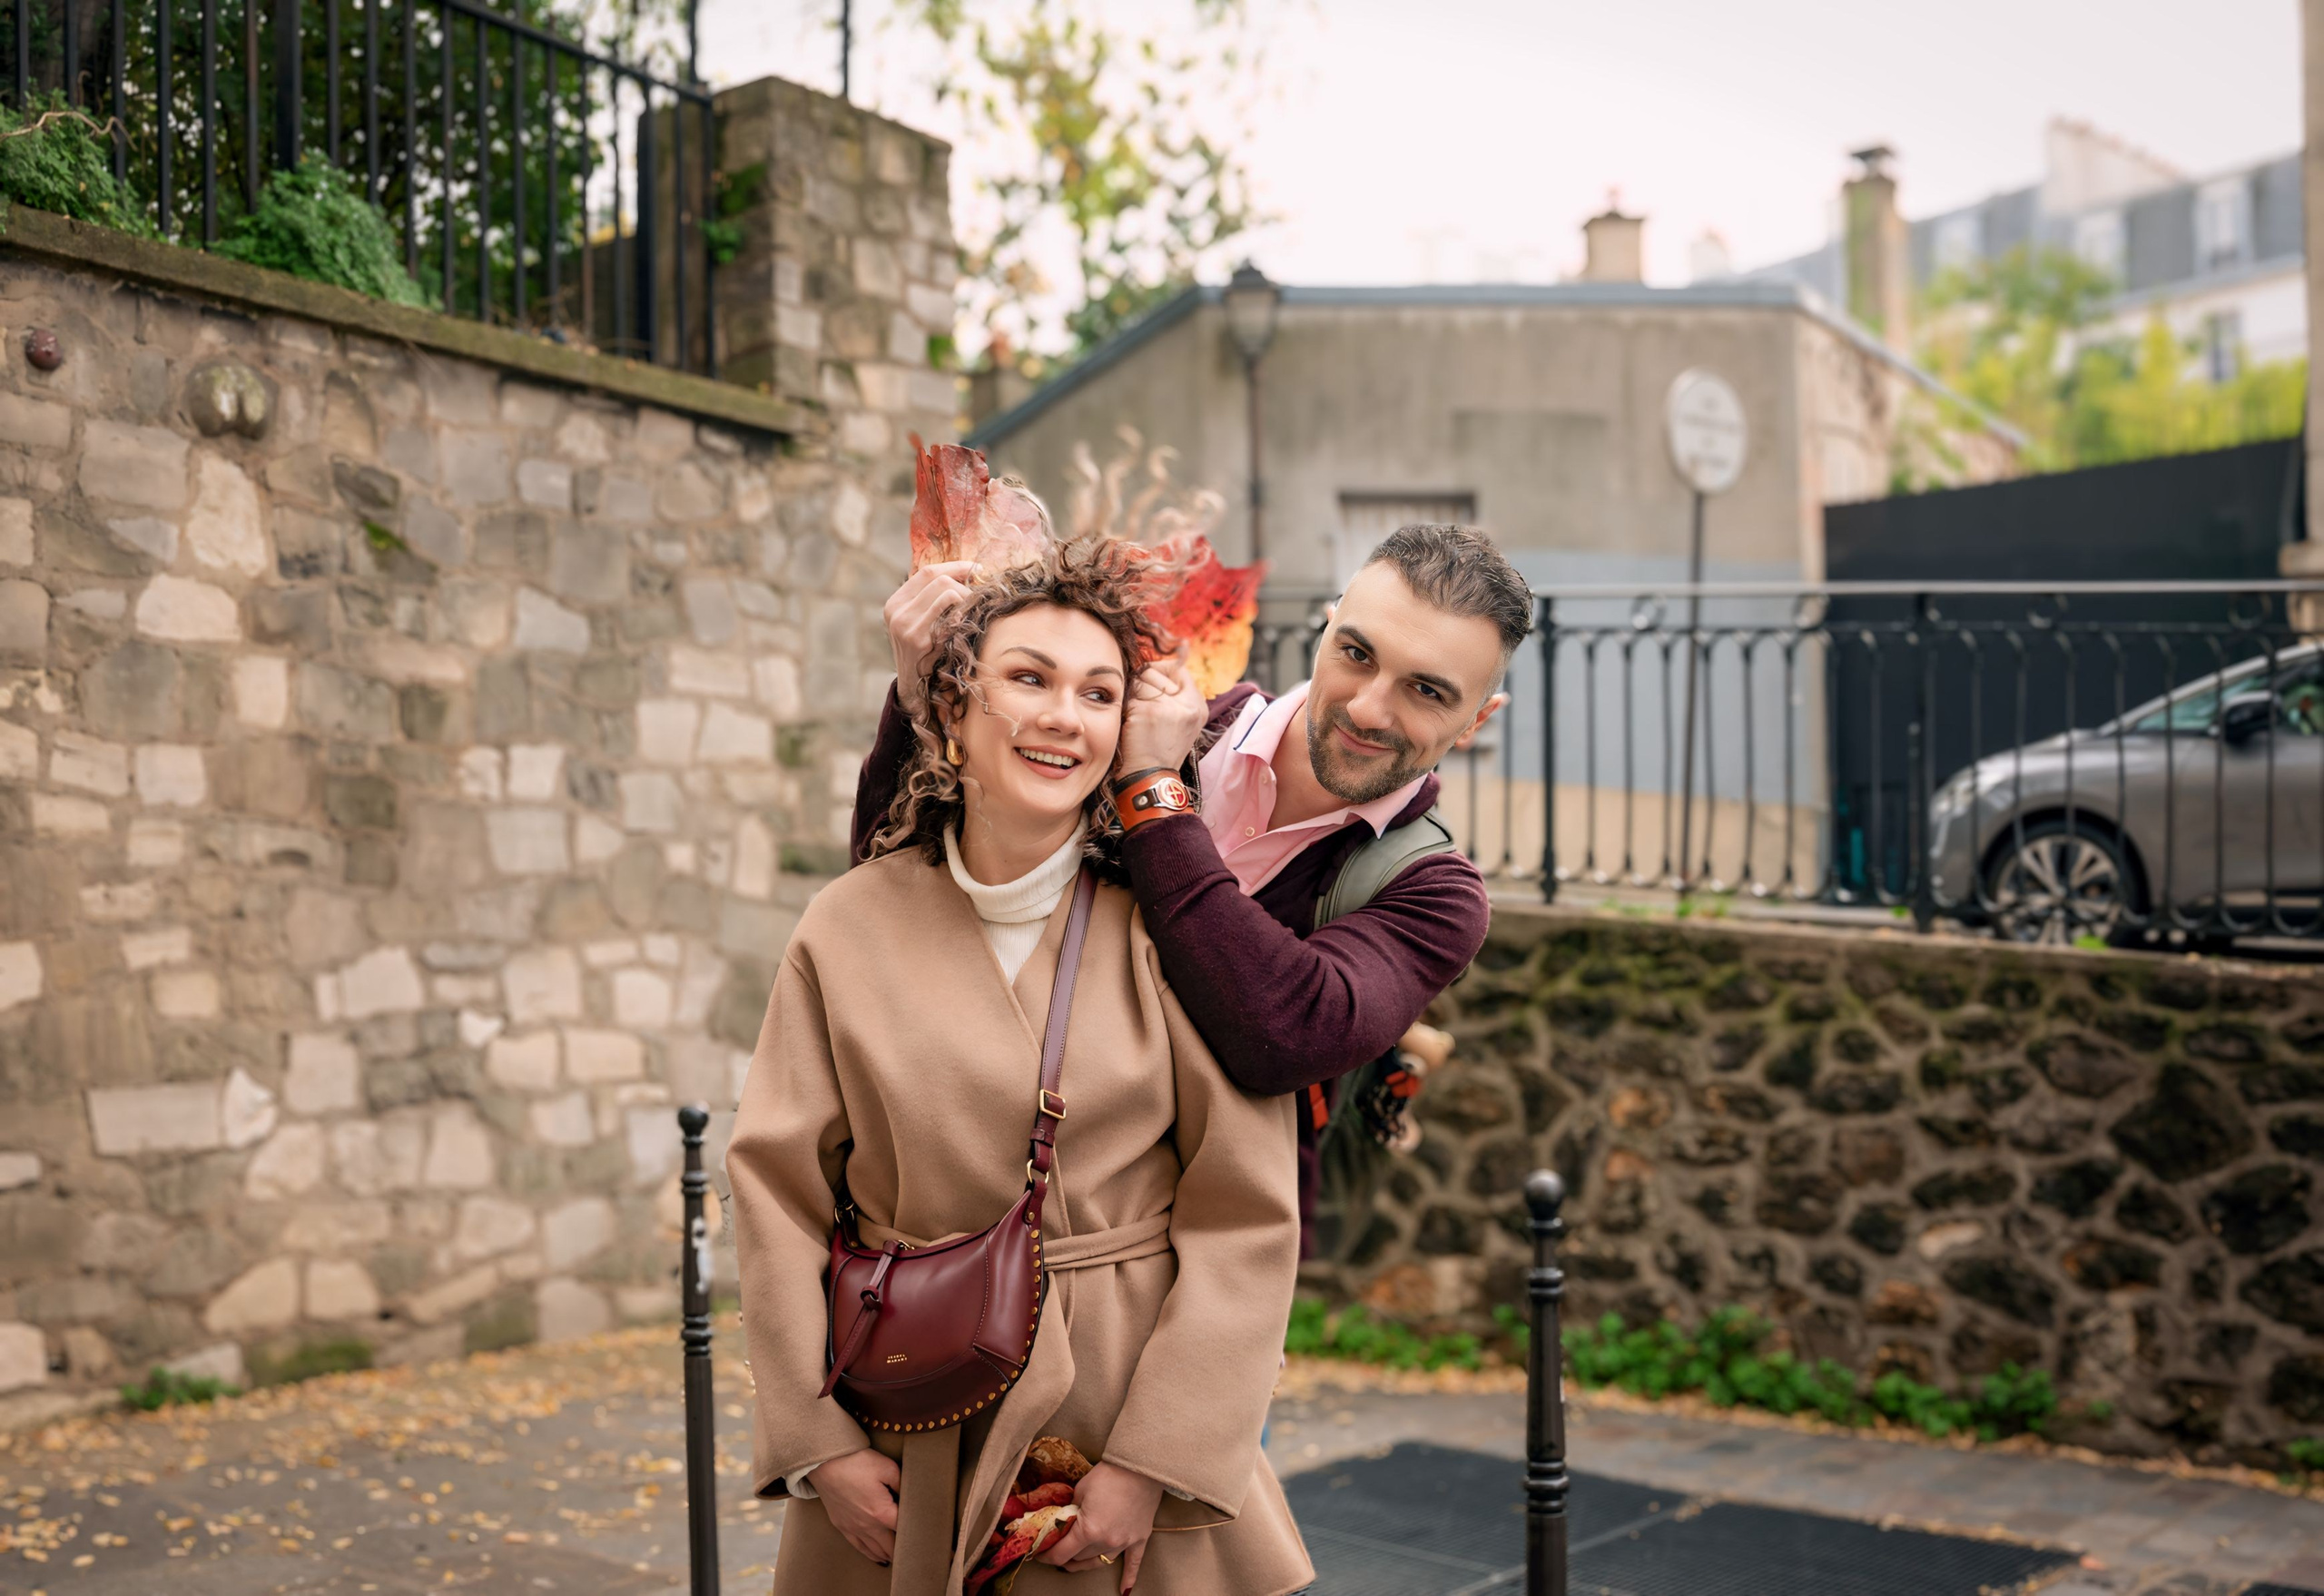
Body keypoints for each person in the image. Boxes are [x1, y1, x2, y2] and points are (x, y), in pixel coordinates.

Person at [728, 538, 1315, 1596]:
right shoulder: (845, 926)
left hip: (1117, 1420)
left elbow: (1246, 1215)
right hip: (901, 1411)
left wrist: (1153, 1463)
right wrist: (819, 1446)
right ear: (951, 709)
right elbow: (776, 1195)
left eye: (1098, 694)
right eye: (1028, 678)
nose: (1063, 717)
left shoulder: (1173, 930)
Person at [857, 523, 1531, 1254]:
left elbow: (1281, 1036)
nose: (1369, 707)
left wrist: (1151, 794)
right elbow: (898, 889)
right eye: (1357, 653)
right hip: (974, 1200)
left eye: (1426, 690)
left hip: (1200, 1265)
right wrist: (917, 696)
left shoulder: (1435, 894)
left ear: (1477, 720)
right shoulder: (1155, 716)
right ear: (1327, 625)